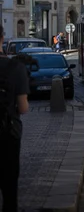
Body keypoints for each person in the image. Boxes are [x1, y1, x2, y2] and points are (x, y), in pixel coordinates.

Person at [0, 24, 29, 212]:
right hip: (7, 134)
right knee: (10, 190)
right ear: (2, 38)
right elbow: (23, 108)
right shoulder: (15, 68)